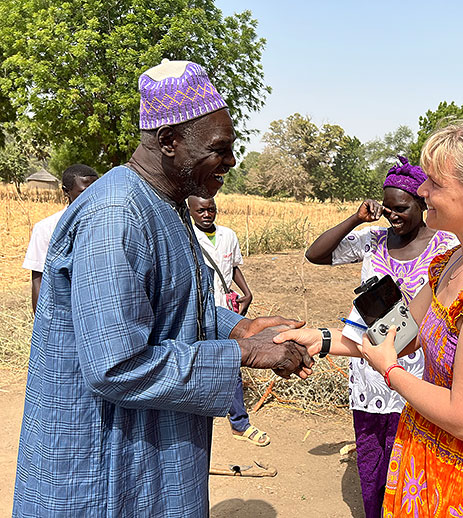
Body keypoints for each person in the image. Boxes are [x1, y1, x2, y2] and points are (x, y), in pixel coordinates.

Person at [13, 59, 313, 518]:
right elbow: (116, 365)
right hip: (106, 461)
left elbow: (171, 306)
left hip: (149, 445)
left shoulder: (164, 204)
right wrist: (244, 354)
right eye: (219, 148)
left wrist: (240, 327)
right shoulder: (117, 214)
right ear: (169, 141)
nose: (231, 162)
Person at [278, 120, 463, 517]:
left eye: (435, 183)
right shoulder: (452, 262)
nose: (422, 191)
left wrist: (390, 373)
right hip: (423, 454)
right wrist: (323, 340)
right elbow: (401, 337)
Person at [304, 156, 458, 518]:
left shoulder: (447, 248)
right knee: (373, 462)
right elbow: (316, 254)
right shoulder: (373, 239)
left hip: (417, 372)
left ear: (423, 202)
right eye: (387, 208)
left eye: (401, 208)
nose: (393, 216)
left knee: (411, 465)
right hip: (367, 368)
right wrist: (356, 218)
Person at [188, 195, 269, 447]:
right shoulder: (185, 236)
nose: (206, 215)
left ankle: (240, 424)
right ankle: (197, 423)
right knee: (198, 365)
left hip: (225, 312)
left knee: (232, 363)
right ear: (190, 210)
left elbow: (233, 267)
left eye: (211, 209)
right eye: (201, 210)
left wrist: (247, 292)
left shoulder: (228, 235)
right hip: (196, 314)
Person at [22, 164, 98, 312]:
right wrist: (41, 325)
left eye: (96, 191)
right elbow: (39, 279)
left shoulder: (106, 224)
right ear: (66, 192)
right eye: (83, 192)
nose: (92, 197)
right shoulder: (46, 228)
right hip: (63, 313)